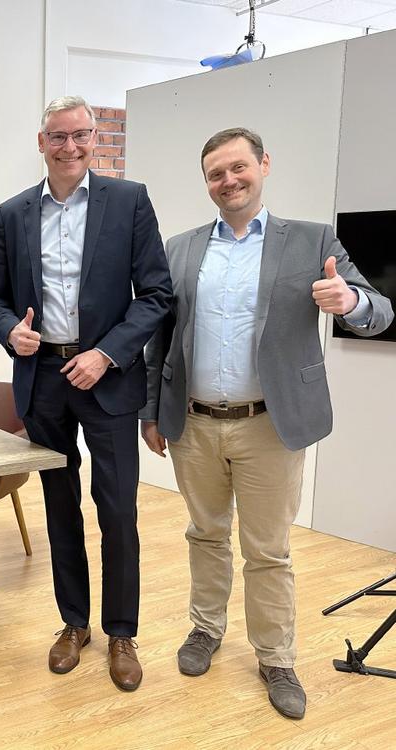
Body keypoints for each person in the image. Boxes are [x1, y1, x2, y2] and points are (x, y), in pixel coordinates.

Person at [141, 127, 393, 719]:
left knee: (268, 550)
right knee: (205, 534)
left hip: (269, 426)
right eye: (216, 173)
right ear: (206, 183)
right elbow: (160, 338)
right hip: (194, 423)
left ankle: (276, 658)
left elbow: (379, 311)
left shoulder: (311, 240)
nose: (228, 181)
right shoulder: (179, 248)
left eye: (238, 167)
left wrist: (350, 302)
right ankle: (206, 628)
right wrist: (150, 411)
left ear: (264, 166)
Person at [0, 96, 172, 691]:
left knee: (117, 510)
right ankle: (74, 623)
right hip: (42, 378)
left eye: (81, 135)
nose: (70, 147)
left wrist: (106, 353)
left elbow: (156, 295)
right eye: (58, 137)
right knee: (59, 505)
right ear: (41, 142)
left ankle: (122, 631)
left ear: (96, 138)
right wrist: (9, 331)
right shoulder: (12, 213)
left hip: (108, 377)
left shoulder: (130, 201)